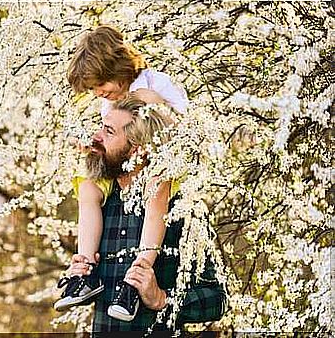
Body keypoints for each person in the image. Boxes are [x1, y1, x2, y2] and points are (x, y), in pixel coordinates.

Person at [54, 25, 189, 321]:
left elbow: (183, 125)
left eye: (100, 84)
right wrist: (93, 144)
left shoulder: (153, 85)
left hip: (159, 161)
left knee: (156, 189)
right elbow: (113, 138)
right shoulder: (109, 102)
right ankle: (85, 269)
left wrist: (152, 111)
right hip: (127, 165)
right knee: (88, 186)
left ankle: (138, 273)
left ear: (119, 67)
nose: (98, 93)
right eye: (92, 89)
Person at [62, 95, 227, 334]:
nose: (96, 137)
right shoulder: (99, 205)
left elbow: (218, 298)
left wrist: (162, 300)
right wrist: (82, 271)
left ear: (135, 150)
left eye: (109, 132)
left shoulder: (180, 209)